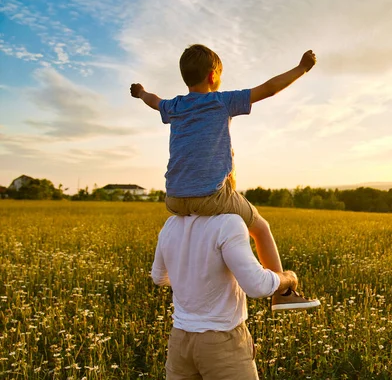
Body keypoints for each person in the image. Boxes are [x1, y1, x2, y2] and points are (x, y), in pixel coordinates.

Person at [131, 45, 319, 310]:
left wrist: (139, 93)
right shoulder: (220, 101)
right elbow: (269, 88)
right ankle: (282, 295)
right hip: (210, 196)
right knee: (261, 228)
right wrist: (301, 68)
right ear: (212, 76)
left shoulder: (174, 106)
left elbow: (153, 100)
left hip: (173, 199)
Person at [151, 214, 301, 379]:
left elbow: (158, 277)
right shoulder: (228, 222)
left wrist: (190, 277)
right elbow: (257, 286)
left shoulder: (172, 223)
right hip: (223, 340)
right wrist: (288, 278)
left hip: (179, 339)